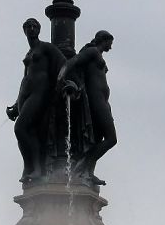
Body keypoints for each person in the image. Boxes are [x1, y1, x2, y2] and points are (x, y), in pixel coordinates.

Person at [7, 18, 67, 181]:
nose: (32, 29)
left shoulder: (46, 47)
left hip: (40, 93)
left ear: (39, 30)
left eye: (35, 26)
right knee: (28, 131)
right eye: (28, 26)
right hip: (26, 93)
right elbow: (25, 78)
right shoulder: (29, 54)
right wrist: (16, 103)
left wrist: (64, 83)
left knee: (20, 128)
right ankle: (32, 167)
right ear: (24, 30)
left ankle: (35, 167)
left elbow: (64, 64)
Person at [59, 30, 115, 183]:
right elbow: (72, 62)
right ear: (103, 40)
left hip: (103, 101)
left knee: (97, 139)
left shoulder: (98, 55)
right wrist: (61, 76)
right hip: (96, 100)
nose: (111, 47)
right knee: (111, 138)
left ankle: (88, 172)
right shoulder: (92, 51)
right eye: (110, 42)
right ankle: (82, 166)